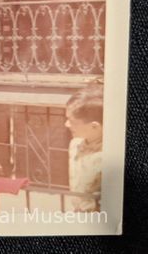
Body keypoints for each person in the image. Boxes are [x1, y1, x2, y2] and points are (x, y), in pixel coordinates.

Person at [64, 83, 104, 212]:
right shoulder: (75, 144)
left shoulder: (109, 155)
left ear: (94, 127)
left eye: (72, 121)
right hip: (77, 212)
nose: (66, 124)